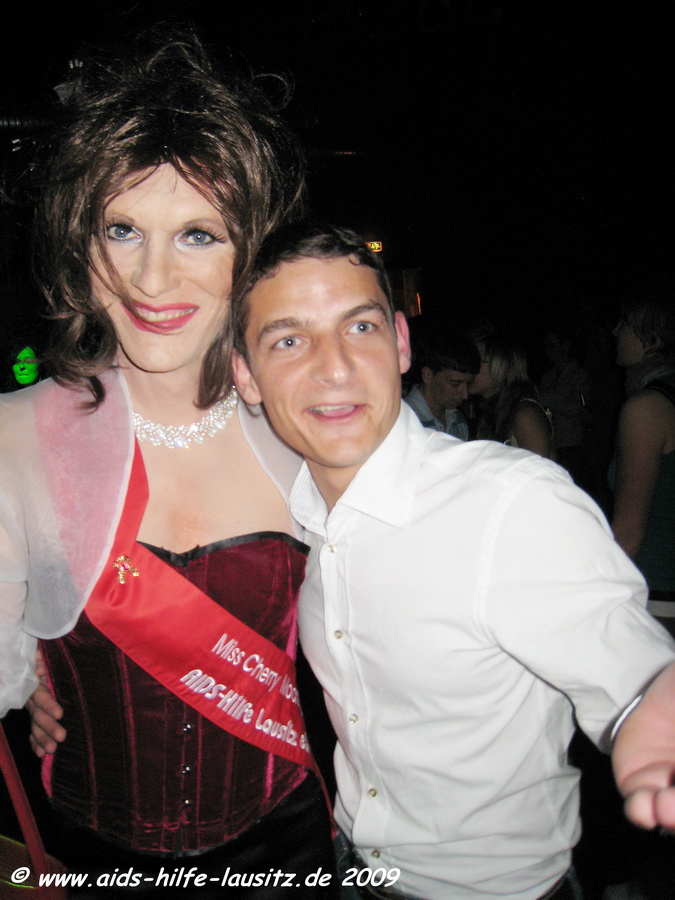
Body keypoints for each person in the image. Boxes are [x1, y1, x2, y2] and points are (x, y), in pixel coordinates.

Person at [231, 222, 675, 900]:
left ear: (400, 343)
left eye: (359, 327)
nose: (334, 367)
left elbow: (629, 667)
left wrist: (651, 719)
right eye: (288, 340)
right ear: (246, 375)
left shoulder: (510, 503)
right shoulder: (290, 512)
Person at [0, 33, 335, 896]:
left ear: (249, 253)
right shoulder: (14, 438)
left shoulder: (309, 425)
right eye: (122, 230)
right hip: (90, 852)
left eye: (197, 234)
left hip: (283, 846)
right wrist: (27, 670)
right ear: (80, 244)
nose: (153, 278)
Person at [610, 298, 675, 637]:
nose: (614, 332)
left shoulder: (647, 408)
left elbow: (629, 533)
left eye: (624, 324)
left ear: (651, 337)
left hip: (656, 595)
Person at [470, 330, 554, 458]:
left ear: (500, 365)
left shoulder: (526, 414)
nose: (469, 368)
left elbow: (539, 468)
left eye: (477, 362)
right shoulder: (493, 412)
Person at [403, 330, 478, 440]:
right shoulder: (402, 420)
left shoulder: (458, 420)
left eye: (468, 384)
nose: (465, 395)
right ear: (428, 376)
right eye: (455, 384)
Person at [539, 328, 590, 482]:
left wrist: (547, 399)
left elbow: (579, 407)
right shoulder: (547, 377)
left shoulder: (579, 374)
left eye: (552, 345)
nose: (548, 350)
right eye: (546, 346)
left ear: (565, 346)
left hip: (573, 444)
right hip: (552, 443)